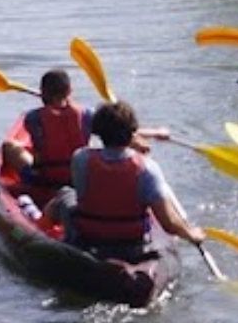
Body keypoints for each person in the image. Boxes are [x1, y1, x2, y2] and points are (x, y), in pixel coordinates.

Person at [58, 101, 210, 263]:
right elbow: (169, 224)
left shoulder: (80, 158)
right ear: (131, 133)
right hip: (130, 246)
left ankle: (44, 229)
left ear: (99, 132)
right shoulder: (148, 168)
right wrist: (191, 234)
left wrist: (134, 139)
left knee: (65, 194)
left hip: (90, 239)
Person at [0, 70, 91, 199]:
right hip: (78, 179)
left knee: (9, 146)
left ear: (42, 92)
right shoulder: (87, 115)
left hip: (44, 179)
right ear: (69, 91)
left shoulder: (33, 118)